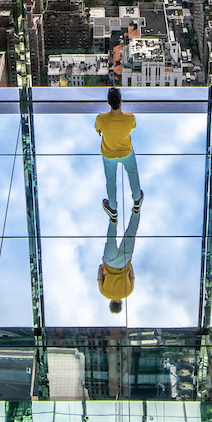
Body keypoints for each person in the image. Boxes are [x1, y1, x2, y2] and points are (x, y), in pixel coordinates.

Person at [94, 86, 143, 220]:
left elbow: (97, 129)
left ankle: (113, 208)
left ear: (108, 102)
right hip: (126, 151)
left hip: (108, 153)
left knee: (110, 180)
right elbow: (133, 127)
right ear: (121, 101)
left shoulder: (101, 118)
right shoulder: (130, 118)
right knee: (132, 174)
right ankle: (137, 200)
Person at [98, 202, 140, 315]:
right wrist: (102, 266)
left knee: (131, 233)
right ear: (110, 303)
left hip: (124, 262)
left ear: (121, 304)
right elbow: (99, 275)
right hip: (109, 262)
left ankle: (136, 211)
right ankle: (113, 219)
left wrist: (128, 263)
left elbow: (132, 274)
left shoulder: (128, 292)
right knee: (111, 238)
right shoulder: (105, 293)